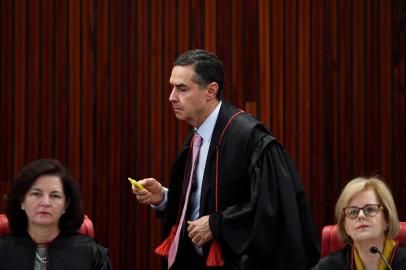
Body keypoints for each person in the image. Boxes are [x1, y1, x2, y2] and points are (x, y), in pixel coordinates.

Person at [132, 49, 320, 269]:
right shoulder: (197, 135)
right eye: (172, 87)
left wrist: (218, 224)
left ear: (210, 91)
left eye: (182, 89)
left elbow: (273, 209)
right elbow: (205, 200)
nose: (171, 97)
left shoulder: (249, 138)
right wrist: (164, 197)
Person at [0, 159, 113, 269]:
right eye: (36, 194)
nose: (45, 203)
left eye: (55, 196)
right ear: (22, 201)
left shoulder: (92, 255)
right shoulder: (3, 251)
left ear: (66, 205)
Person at [312, 176, 406, 269]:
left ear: (387, 219)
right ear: (345, 226)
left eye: (369, 209)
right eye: (353, 212)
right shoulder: (330, 266)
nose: (361, 215)